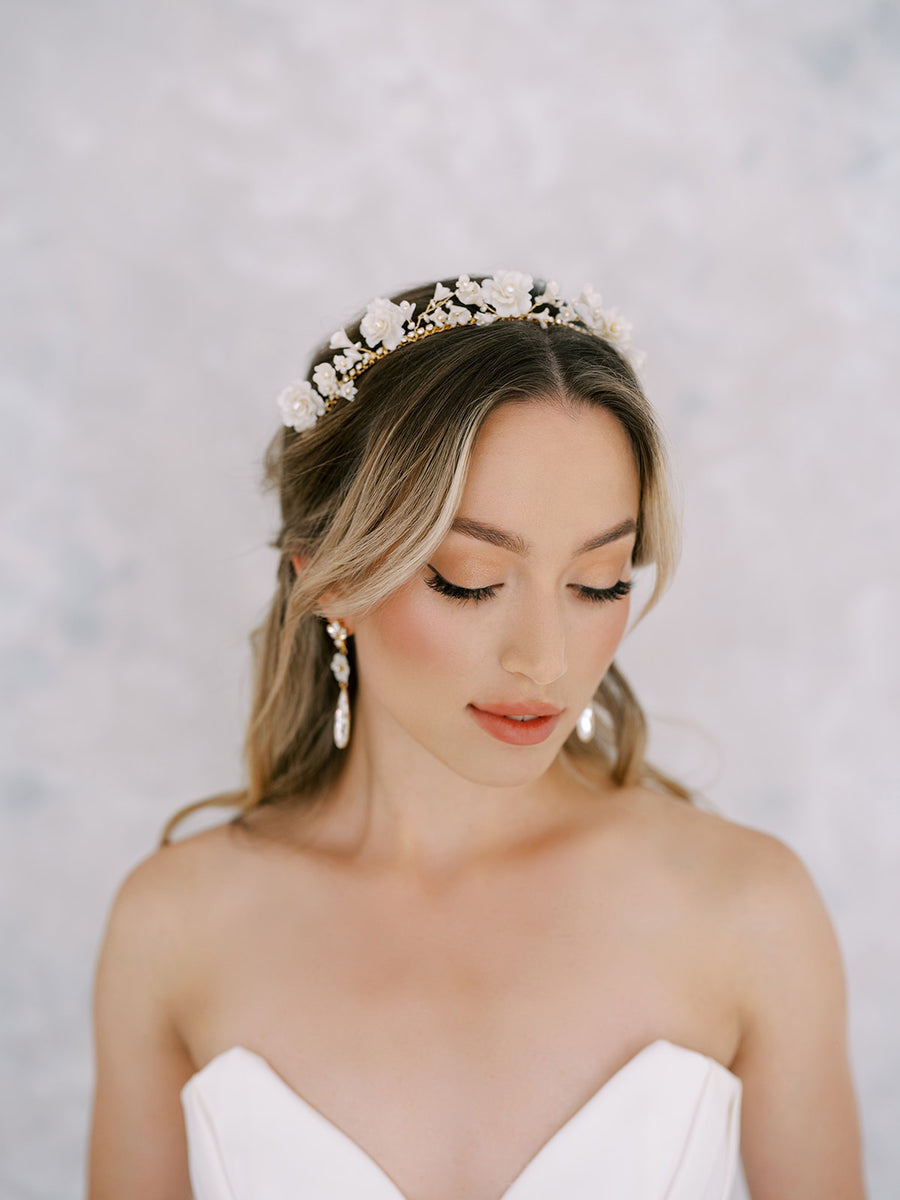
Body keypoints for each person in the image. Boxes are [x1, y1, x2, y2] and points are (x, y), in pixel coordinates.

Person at [88, 271, 866, 1200]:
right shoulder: (173, 927)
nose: (544, 658)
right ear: (327, 579)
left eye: (600, 581)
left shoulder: (748, 912)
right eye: (467, 579)